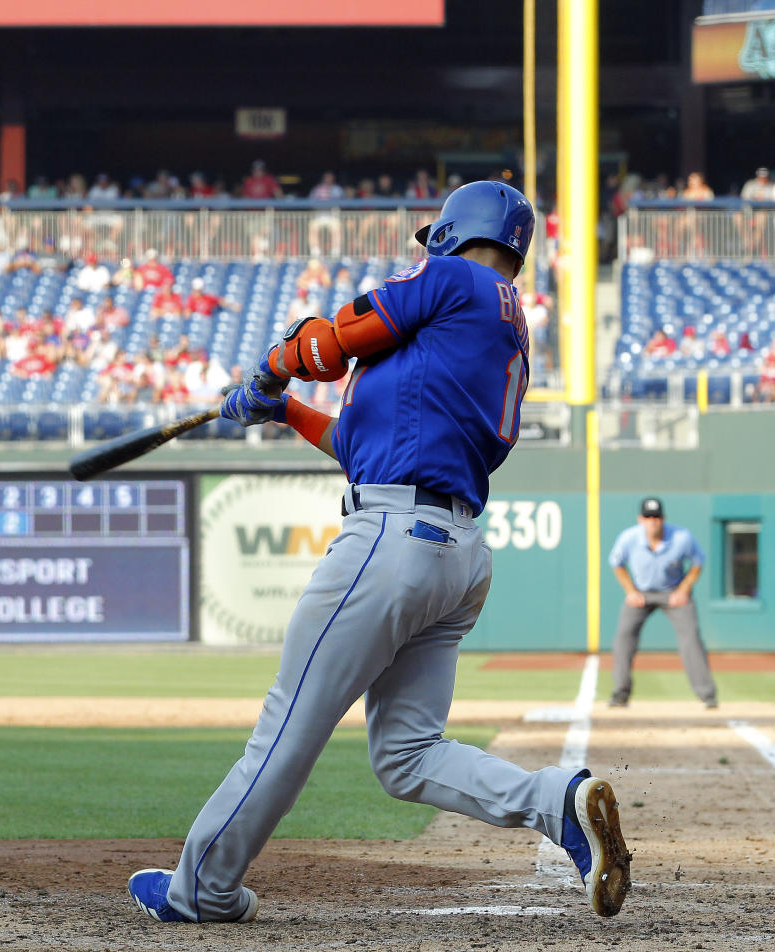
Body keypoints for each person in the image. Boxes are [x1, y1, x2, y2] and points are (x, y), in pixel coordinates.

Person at [126, 181, 631, 925]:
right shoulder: (492, 322)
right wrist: (283, 409)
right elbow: (361, 445)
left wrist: (274, 364)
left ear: (455, 232)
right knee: (407, 754)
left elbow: (330, 343)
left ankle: (200, 889)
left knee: (289, 725)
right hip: (452, 553)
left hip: (393, 541)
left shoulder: (454, 276)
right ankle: (555, 803)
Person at [607, 497, 718, 709]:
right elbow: (616, 564)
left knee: (691, 637)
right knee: (623, 637)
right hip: (641, 593)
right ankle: (620, 694)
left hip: (673, 593)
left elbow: (698, 563)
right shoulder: (629, 538)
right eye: (648, 517)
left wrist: (683, 590)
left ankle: (708, 695)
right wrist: (630, 591)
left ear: (663, 519)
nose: (652, 521)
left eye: (656, 517)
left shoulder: (681, 537)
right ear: (640, 519)